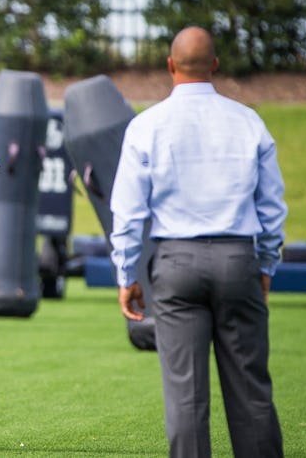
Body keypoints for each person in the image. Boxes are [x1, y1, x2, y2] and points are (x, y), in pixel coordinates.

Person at [109, 26, 287, 458]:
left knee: (185, 397)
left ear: (170, 66)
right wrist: (264, 267)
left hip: (176, 262)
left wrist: (127, 274)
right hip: (236, 258)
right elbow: (272, 209)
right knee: (251, 390)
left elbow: (129, 212)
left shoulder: (145, 125)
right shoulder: (249, 121)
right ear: (215, 66)